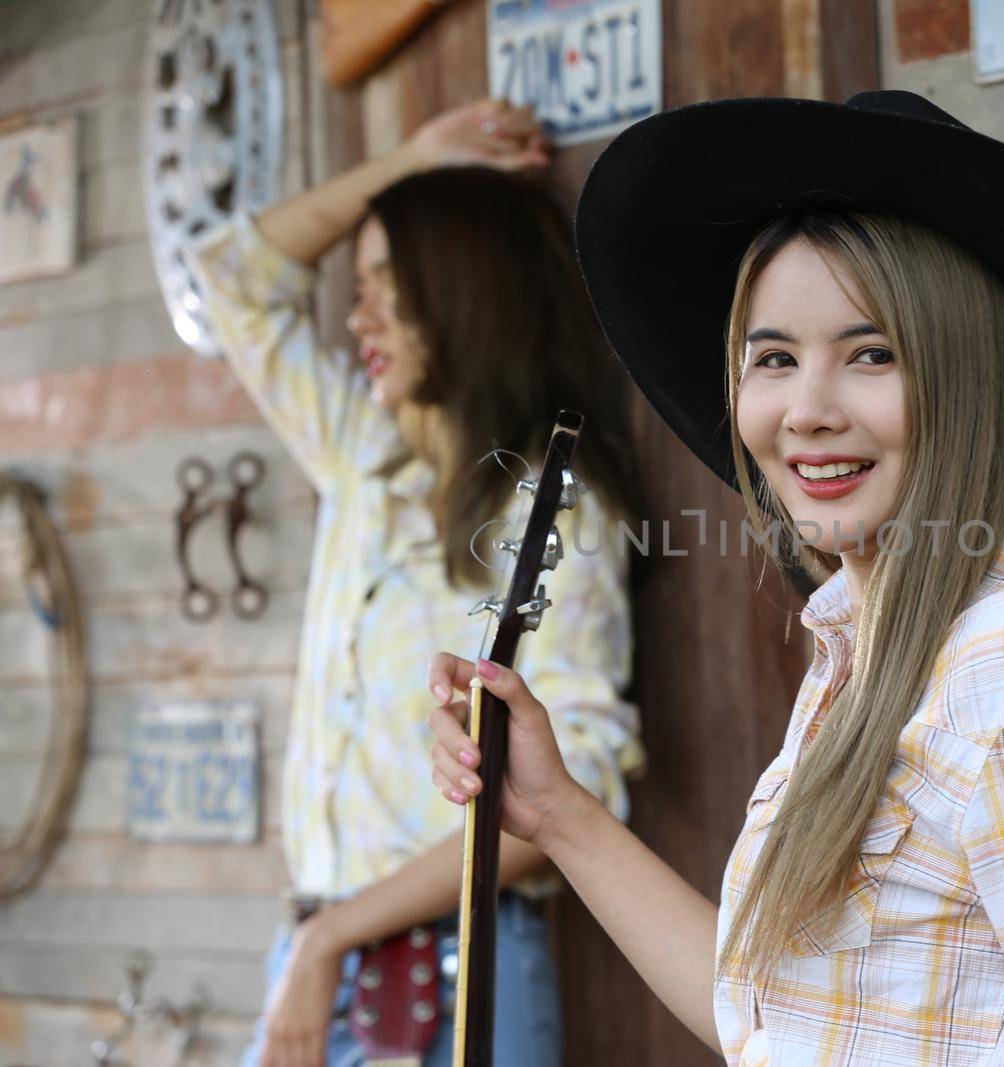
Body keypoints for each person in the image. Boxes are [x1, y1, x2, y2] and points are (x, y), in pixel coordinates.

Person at [428, 91, 1004, 1065]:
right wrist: (558, 812)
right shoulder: (868, 656)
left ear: (967, 382)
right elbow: (768, 1026)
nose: (805, 410)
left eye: (870, 354)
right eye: (772, 357)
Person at [186, 99, 642, 1067]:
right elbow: (229, 276)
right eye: (360, 285)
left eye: (391, 284)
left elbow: (582, 779)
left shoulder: (555, 513)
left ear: (464, 290)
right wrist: (406, 161)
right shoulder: (361, 463)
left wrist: (332, 934)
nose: (360, 316)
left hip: (453, 970)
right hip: (311, 963)